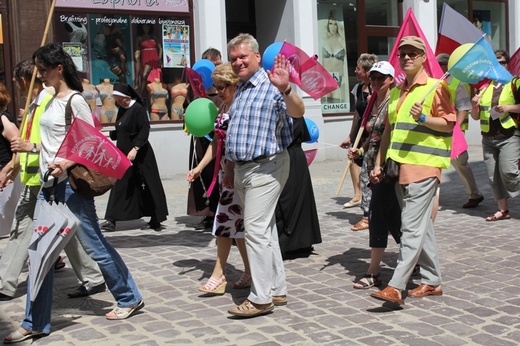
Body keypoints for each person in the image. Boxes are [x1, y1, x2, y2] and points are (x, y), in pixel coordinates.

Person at [3, 43, 144, 344]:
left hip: (71, 188)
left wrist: (66, 162)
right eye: (37, 69)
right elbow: (53, 143)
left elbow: (91, 145)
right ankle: (35, 322)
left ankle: (128, 296)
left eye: (43, 69)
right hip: (46, 187)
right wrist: (33, 148)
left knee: (95, 247)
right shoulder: (46, 98)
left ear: (59, 68)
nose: (39, 74)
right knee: (40, 254)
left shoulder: (77, 101)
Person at [0, 60, 106, 302]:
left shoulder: (50, 101)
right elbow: (24, 144)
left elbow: (59, 139)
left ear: (24, 81)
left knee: (26, 228)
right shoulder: (35, 105)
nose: (16, 87)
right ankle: (92, 276)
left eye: (17, 82)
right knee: (63, 228)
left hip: (49, 173)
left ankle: (4, 282)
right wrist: (13, 168)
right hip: (36, 174)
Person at [369, 36, 455, 305]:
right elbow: (389, 131)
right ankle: (432, 281)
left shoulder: (436, 88)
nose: (406, 57)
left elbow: (449, 124)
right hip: (399, 168)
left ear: (422, 58)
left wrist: (424, 118)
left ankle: (396, 286)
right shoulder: (396, 91)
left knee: (411, 228)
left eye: (412, 54)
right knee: (422, 227)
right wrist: (378, 163)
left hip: (425, 166)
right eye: (402, 54)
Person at [225, 33, 305, 317]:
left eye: (243, 56)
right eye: (234, 58)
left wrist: (286, 89)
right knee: (266, 230)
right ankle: (277, 289)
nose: (238, 62)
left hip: (267, 166)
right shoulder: (241, 88)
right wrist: (229, 166)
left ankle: (261, 298)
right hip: (244, 168)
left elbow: (298, 111)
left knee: (256, 231)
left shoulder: (273, 84)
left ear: (257, 57)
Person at [186, 63, 251, 295]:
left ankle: (218, 274)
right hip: (226, 175)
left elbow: (235, 142)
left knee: (226, 224)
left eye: (223, 86)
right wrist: (199, 167)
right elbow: (217, 142)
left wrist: (231, 170)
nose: (219, 91)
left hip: (239, 175)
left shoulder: (242, 105)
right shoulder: (224, 105)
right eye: (217, 86)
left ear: (235, 84)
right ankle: (248, 271)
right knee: (235, 226)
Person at [347, 61, 401, 289]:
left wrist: (380, 162)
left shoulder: (395, 101)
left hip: (388, 167)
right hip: (372, 165)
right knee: (393, 217)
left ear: (391, 79)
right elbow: (372, 133)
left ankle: (374, 271)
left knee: (377, 215)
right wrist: (360, 149)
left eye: (382, 77)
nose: (377, 81)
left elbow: (390, 135)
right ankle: (416, 257)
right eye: (374, 77)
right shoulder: (372, 101)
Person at [101, 83, 168, 232]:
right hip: (124, 155)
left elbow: (144, 130)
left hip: (141, 155)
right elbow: (121, 130)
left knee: (149, 185)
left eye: (120, 99)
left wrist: (136, 148)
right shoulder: (122, 110)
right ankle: (111, 219)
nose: (118, 102)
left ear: (127, 97)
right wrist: (105, 135)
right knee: (120, 185)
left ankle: (156, 218)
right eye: (117, 99)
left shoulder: (137, 109)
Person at [470, 50, 519, 221]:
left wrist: (509, 108)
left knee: (509, 173)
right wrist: (474, 105)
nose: (499, 66)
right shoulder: (484, 87)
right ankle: (503, 210)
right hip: (488, 138)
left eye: (503, 62)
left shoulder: (515, 83)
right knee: (493, 176)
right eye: (495, 63)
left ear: (508, 64)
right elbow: (475, 117)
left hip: (509, 135)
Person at [436, 54, 484, 208]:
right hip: (438, 127)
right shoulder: (435, 81)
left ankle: (474, 194)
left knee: (460, 163)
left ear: (447, 64)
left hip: (454, 130)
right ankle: (432, 195)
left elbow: (464, 108)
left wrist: (455, 127)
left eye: (440, 63)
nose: (437, 66)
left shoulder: (458, 83)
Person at [340, 54, 378, 230]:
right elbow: (357, 114)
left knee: (371, 173)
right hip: (362, 134)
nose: (355, 71)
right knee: (358, 166)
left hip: (375, 134)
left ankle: (371, 213)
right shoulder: (358, 89)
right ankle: (364, 205)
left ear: (367, 71)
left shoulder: (378, 90)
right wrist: (351, 136)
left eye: (358, 68)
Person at [186, 48, 223, 230]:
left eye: (216, 63)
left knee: (218, 174)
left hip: (218, 138)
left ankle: (219, 210)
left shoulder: (223, 87)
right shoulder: (194, 88)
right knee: (203, 174)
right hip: (201, 139)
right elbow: (189, 109)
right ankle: (207, 212)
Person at [276, 116, 322, 259]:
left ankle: (293, 242)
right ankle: (300, 241)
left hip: (286, 156)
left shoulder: (288, 111)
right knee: (294, 197)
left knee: (289, 198)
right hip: (294, 156)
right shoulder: (293, 110)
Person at [0, 83, 22, 238]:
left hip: (5, 177)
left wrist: (5, 171)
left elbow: (20, 149)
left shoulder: (3, 119)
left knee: (16, 224)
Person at [321, 10, 346, 103]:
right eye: (330, 23)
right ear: (327, 25)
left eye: (335, 24)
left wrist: (344, 80)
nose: (333, 27)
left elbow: (345, 63)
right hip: (325, 76)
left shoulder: (342, 42)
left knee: (336, 102)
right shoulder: (323, 41)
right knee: (326, 102)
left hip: (338, 77)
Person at [134, 24, 162, 96]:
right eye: (144, 26)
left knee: (155, 77)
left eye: (147, 26)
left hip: (155, 58)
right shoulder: (139, 38)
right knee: (145, 76)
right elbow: (137, 50)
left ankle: (152, 95)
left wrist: (159, 58)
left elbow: (160, 48)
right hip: (146, 58)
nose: (146, 28)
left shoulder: (153, 37)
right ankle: (141, 94)